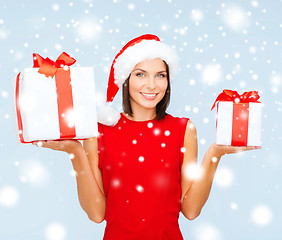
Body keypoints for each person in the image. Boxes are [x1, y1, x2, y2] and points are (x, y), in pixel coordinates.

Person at [32, 34, 261, 240]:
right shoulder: (98, 131)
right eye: (140, 74)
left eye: (160, 75)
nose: (152, 85)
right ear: (126, 79)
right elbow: (96, 213)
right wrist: (76, 152)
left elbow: (190, 211)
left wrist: (214, 154)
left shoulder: (183, 129)